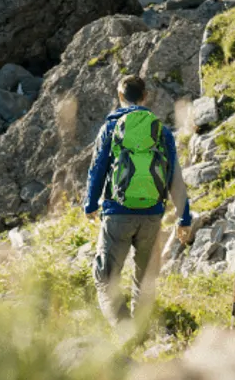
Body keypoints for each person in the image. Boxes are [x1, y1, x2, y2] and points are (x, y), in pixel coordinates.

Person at [83, 74, 194, 327]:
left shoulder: (111, 128)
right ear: (145, 97)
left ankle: (125, 329)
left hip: (117, 212)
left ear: (120, 96)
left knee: (106, 277)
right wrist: (184, 218)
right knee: (145, 279)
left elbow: (97, 169)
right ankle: (141, 329)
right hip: (152, 214)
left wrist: (90, 203)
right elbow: (175, 177)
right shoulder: (161, 131)